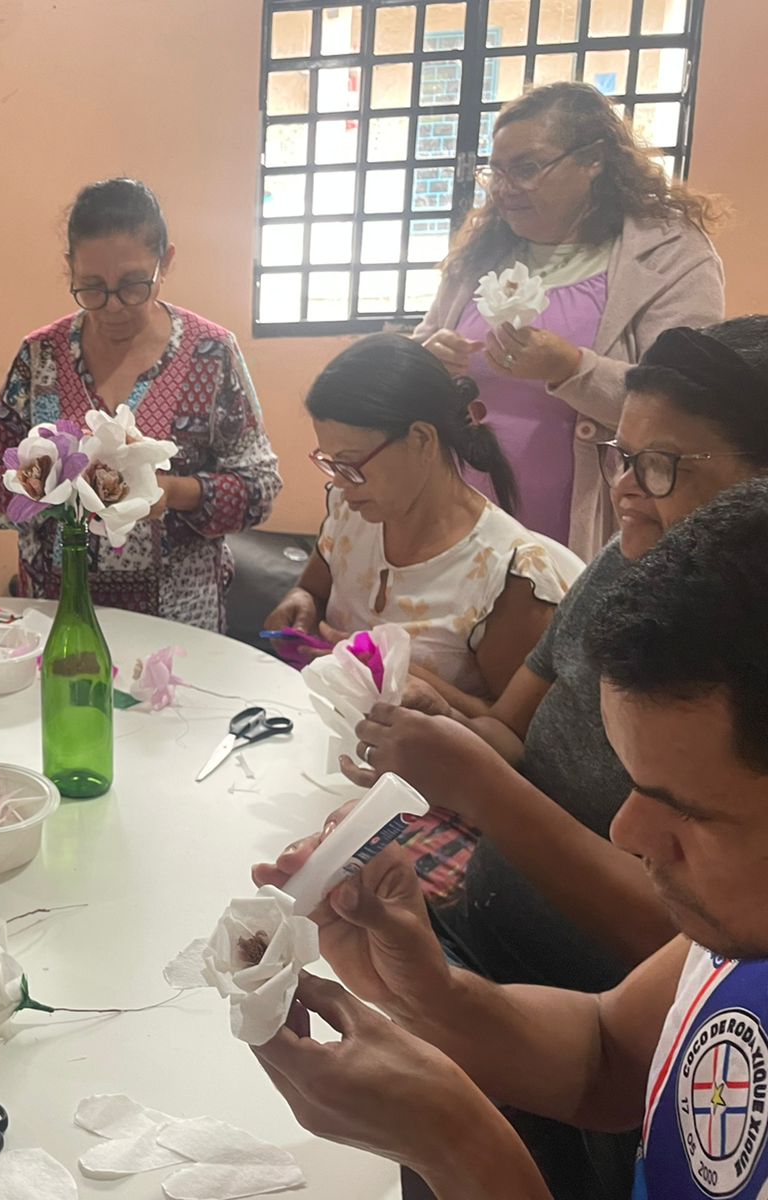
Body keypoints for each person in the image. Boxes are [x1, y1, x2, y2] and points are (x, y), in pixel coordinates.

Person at [337, 318, 768, 1199]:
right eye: (622, 454)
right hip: (507, 958)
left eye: (664, 466)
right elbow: (609, 1049)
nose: (627, 827)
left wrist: (463, 1145)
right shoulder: (725, 956)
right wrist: (436, 997)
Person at [264, 335, 580, 905]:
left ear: (421, 440)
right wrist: (301, 603)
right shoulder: (352, 512)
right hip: (318, 769)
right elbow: (313, 589)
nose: (339, 483)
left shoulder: (507, 572)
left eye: (351, 465)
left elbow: (517, 750)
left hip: (421, 813)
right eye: (328, 464)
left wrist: (421, 686)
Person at [416, 82, 725, 559]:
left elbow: (686, 403)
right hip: (459, 517)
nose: (503, 188)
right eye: (495, 171)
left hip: (589, 523)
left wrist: (570, 368)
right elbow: (420, 344)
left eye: (527, 168)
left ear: (594, 159)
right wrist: (427, 358)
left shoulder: (666, 253)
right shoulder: (484, 253)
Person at [0, 178, 281, 632]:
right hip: (58, 614)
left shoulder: (210, 354)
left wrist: (169, 492)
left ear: (166, 262)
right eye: (92, 287)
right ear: (70, 269)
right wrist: (47, 489)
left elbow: (259, 488)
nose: (113, 306)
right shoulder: (41, 358)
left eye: (134, 285)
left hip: (180, 624)